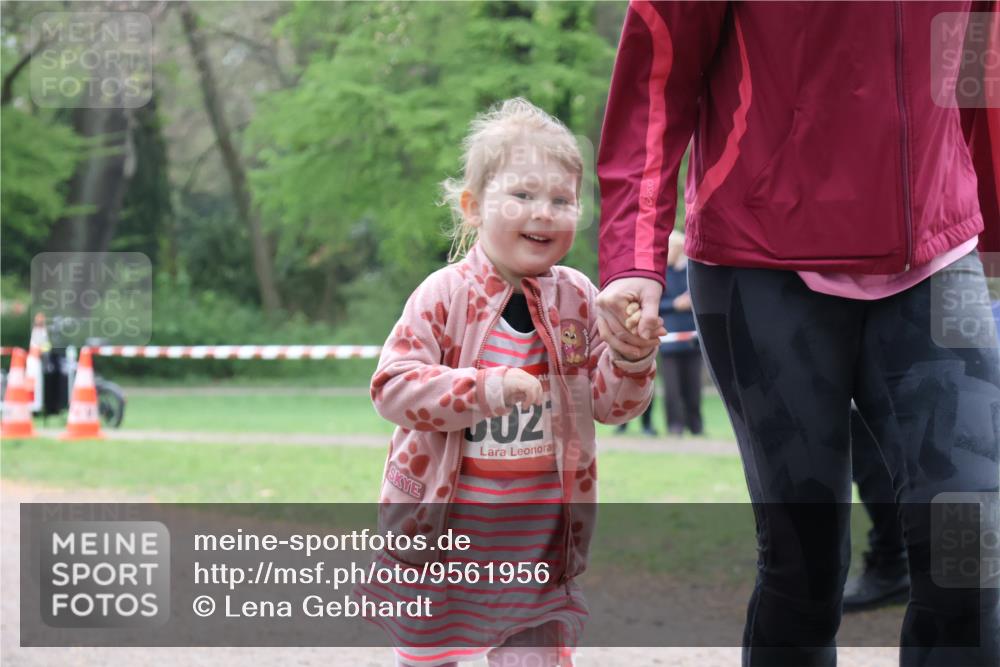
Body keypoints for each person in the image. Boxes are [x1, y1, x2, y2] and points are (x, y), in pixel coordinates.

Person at [594, 3, 999, 665]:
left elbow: (978, 56)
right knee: (805, 567)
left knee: (970, 551)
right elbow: (659, 67)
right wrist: (633, 256)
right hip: (762, 260)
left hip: (936, 250)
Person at [360, 98, 657, 667]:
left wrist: (631, 356)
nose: (543, 213)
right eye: (522, 195)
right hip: (443, 546)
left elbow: (611, 405)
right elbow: (392, 388)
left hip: (538, 547)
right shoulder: (443, 295)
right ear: (472, 206)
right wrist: (487, 389)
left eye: (561, 200)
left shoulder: (578, 298)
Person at [658, 232, 703, 436]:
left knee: (693, 386)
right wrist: (675, 304)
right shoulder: (660, 275)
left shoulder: (691, 273)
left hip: (692, 338)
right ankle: (674, 426)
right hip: (668, 341)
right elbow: (656, 305)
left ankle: (696, 426)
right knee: (672, 389)